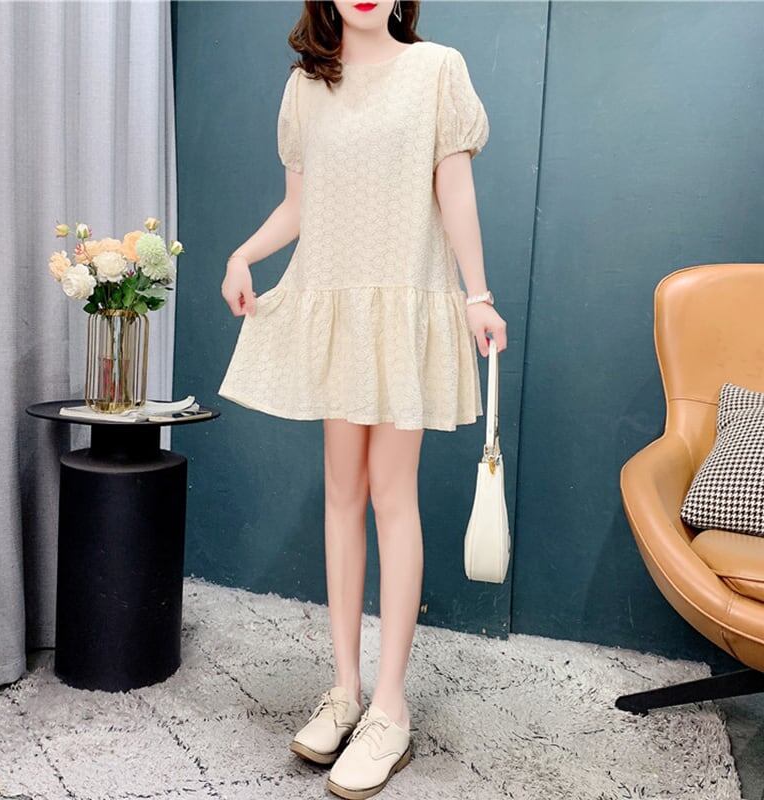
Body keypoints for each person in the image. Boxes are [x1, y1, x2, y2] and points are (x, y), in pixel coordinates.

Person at [218, 1, 507, 797]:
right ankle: (344, 690)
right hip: (340, 309)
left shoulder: (437, 70)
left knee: (390, 496)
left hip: (404, 304)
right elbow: (300, 207)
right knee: (342, 495)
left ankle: (390, 709)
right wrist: (243, 255)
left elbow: (455, 191)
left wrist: (477, 294)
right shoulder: (306, 86)